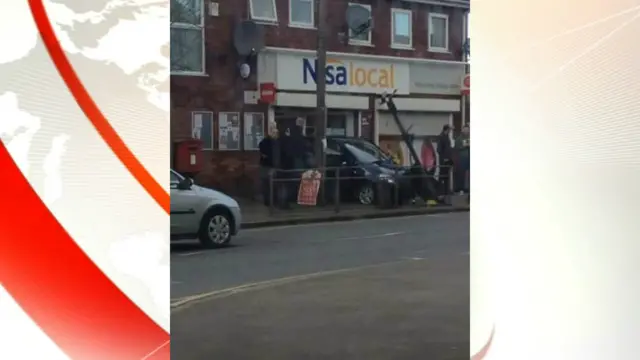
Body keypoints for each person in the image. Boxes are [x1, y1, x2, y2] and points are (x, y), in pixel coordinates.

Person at [258, 125, 277, 206]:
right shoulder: (274, 142)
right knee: (271, 184)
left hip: (264, 165)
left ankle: (267, 201)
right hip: (270, 166)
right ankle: (272, 201)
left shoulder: (263, 142)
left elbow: (262, 152)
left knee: (265, 184)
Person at [437, 124, 454, 199]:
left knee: (446, 176)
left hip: (447, 160)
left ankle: (446, 191)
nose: (450, 131)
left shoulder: (446, 137)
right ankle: (440, 192)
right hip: (444, 160)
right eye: (449, 129)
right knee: (442, 176)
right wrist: (444, 158)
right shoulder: (441, 137)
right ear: (446, 129)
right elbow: (439, 149)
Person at [454, 124, 470, 194]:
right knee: (461, 174)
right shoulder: (459, 139)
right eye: (465, 129)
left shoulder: (470, 138)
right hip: (462, 158)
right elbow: (456, 148)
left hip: (469, 158)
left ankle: (468, 187)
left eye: (468, 130)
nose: (467, 131)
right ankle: (460, 188)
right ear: (462, 130)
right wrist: (464, 146)